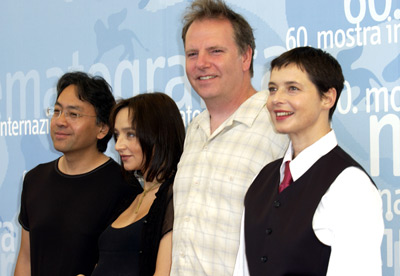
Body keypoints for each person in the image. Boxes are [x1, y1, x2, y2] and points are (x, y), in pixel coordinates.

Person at [234, 46, 384, 276]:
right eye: (273, 89)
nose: (277, 100)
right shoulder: (262, 178)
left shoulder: (350, 185)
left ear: (328, 97)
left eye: (292, 89)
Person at [171, 0, 289, 275]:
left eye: (215, 51)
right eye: (191, 54)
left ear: (245, 57)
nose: (201, 63)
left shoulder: (277, 122)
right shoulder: (195, 130)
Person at [14, 72, 134, 276]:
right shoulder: (35, 179)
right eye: (57, 111)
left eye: (73, 114)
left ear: (103, 128)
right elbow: (26, 259)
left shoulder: (123, 187)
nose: (60, 121)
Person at [90, 93, 185, 276]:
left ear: (159, 135)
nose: (118, 145)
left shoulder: (175, 196)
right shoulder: (131, 196)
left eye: (130, 134)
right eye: (117, 135)